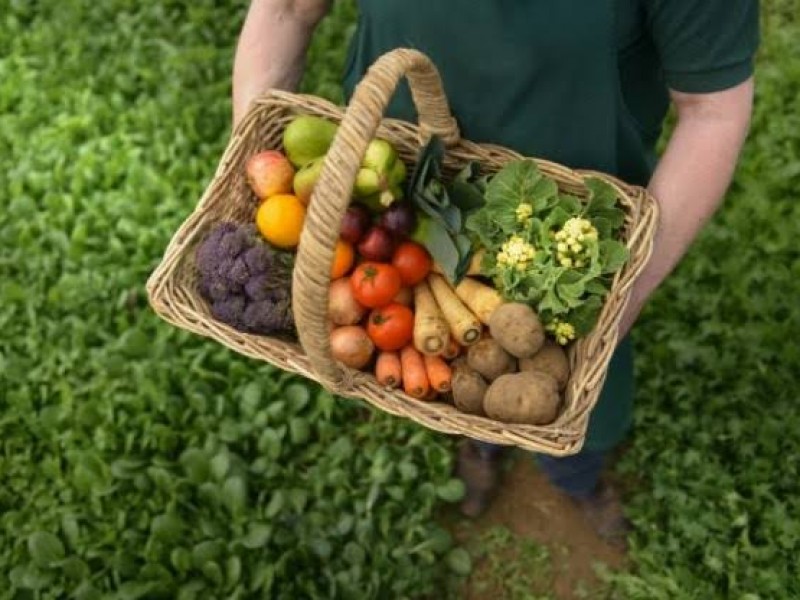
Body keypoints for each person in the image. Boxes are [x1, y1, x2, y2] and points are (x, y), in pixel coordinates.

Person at [232, 0, 759, 549]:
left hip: (565, 222)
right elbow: (288, 10)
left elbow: (711, 110)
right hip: (395, 200)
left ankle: (574, 474)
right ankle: (480, 439)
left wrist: (621, 300)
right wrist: (256, 185)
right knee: (443, 356)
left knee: (572, 386)